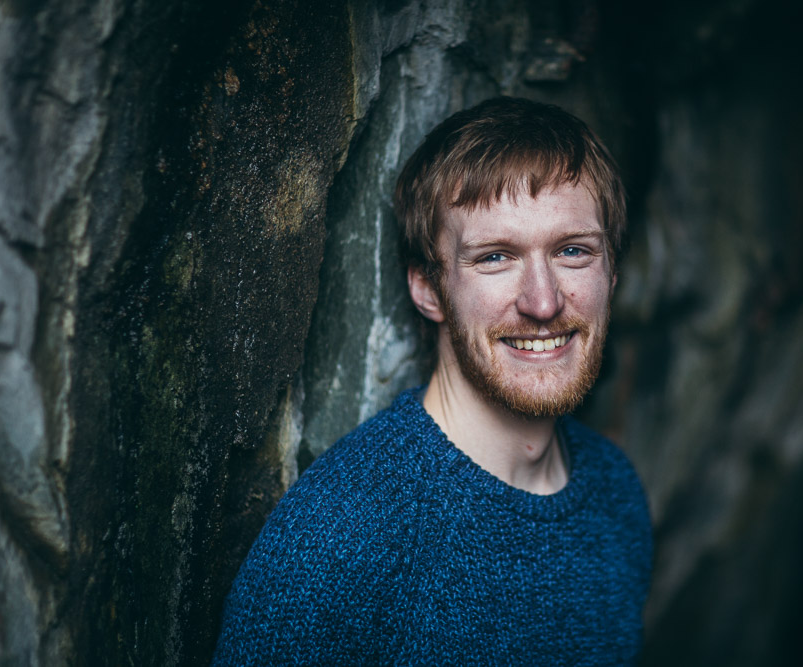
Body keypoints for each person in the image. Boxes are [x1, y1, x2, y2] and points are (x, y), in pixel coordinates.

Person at [212, 97, 652, 665]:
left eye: (573, 251)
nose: (543, 302)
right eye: (494, 257)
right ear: (427, 288)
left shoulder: (615, 492)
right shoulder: (338, 535)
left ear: (611, 273)